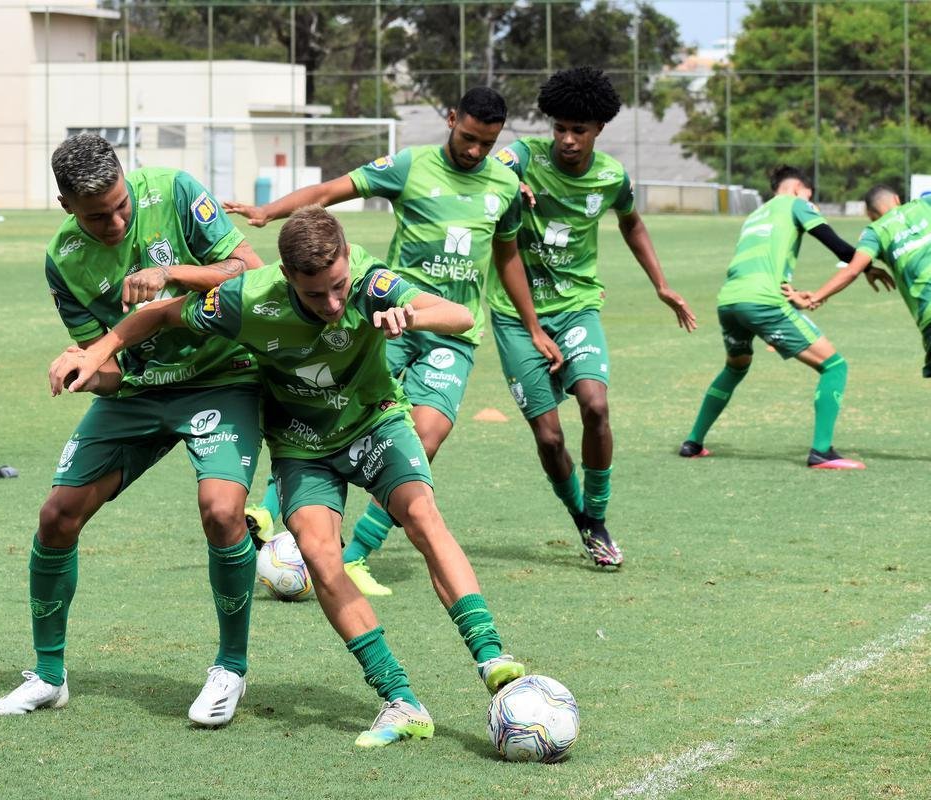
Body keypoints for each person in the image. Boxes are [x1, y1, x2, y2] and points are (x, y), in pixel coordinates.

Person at [53, 206, 529, 748]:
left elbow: (458, 316)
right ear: (286, 278)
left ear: (349, 260)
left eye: (338, 288)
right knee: (321, 555)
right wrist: (100, 349)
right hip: (303, 447)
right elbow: (160, 316)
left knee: (421, 515)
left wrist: (409, 318)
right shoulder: (247, 298)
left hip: (375, 422)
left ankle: (492, 657)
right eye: (314, 295)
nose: (331, 304)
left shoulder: (372, 283)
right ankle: (401, 700)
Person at [225, 86, 560, 596]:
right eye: (467, 137)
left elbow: (509, 255)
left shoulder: (507, 186)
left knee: (425, 437)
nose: (474, 151)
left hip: (450, 329)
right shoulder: (409, 165)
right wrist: (270, 212)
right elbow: (334, 192)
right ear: (451, 119)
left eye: (486, 144)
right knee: (328, 406)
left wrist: (532, 325)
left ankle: (356, 555)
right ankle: (267, 512)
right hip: (388, 315)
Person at [0, 133, 266, 728]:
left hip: (224, 376)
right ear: (66, 207)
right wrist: (85, 370)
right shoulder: (63, 260)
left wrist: (173, 274)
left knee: (220, 511)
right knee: (57, 515)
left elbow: (251, 271)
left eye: (120, 207)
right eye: (95, 216)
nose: (114, 222)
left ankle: (229, 668)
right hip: (143, 390)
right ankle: (48, 675)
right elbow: (111, 367)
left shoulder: (175, 189)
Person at [490, 66, 696, 568]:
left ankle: (597, 516)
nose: (566, 139)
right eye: (559, 127)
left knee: (596, 407)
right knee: (550, 436)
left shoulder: (611, 177)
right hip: (516, 316)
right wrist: (503, 184)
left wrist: (661, 285)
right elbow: (485, 166)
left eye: (578, 130)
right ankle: (579, 517)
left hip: (578, 307)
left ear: (598, 129)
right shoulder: (521, 158)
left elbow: (633, 222)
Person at [679, 165, 892, 468]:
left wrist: (792, 296)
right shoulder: (797, 204)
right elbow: (834, 243)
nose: (811, 201)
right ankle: (821, 452)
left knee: (735, 367)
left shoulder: (755, 216)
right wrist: (868, 266)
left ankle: (693, 442)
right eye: (809, 194)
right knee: (835, 366)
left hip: (729, 301)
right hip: (762, 302)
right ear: (797, 189)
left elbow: (761, 266)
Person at [785, 184, 920, 373]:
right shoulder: (924, 205)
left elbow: (852, 271)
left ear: (869, 213)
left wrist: (814, 298)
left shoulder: (874, 232)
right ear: (897, 199)